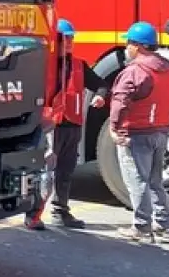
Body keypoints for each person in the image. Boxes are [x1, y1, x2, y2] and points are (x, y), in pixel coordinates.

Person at [24, 18, 108, 230]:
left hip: (73, 126)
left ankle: (61, 210)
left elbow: (100, 84)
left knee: (66, 171)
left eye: (71, 38)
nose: (69, 42)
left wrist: (100, 96)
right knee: (46, 173)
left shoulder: (79, 65)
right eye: (65, 39)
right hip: (52, 126)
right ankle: (33, 214)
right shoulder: (43, 66)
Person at [109, 21, 169, 243]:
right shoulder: (167, 70)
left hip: (136, 132)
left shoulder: (136, 72)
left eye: (129, 43)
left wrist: (115, 128)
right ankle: (165, 227)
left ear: (138, 46)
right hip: (160, 131)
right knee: (155, 181)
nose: (126, 48)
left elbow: (120, 102)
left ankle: (141, 226)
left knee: (137, 181)